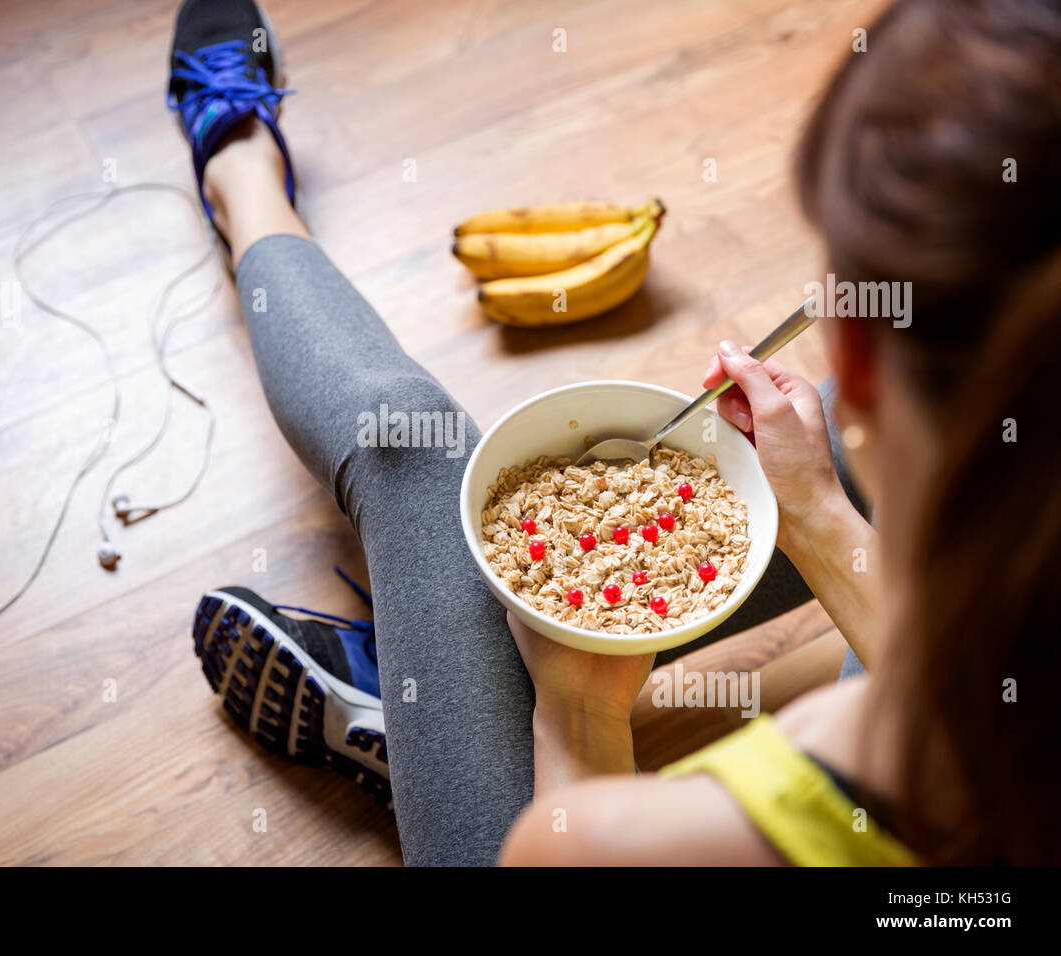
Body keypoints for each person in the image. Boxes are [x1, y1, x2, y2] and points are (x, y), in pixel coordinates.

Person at [174, 0, 1061, 865]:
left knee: (411, 448)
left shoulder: (666, 839)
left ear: (858, 359)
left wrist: (577, 707)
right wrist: (817, 510)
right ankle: (433, 701)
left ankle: (242, 170)